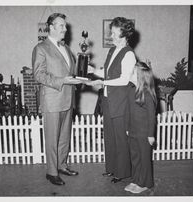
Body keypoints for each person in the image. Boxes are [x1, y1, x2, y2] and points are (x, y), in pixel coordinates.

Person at [32, 13, 82, 186]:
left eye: (65, 26)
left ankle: (62, 166)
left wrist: (82, 75)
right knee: (52, 138)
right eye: (61, 26)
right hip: (52, 100)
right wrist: (62, 81)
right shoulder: (41, 48)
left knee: (64, 137)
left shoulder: (66, 48)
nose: (65, 29)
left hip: (68, 99)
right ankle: (51, 172)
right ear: (51, 27)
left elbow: (71, 72)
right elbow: (38, 75)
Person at [86, 17, 136, 183]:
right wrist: (92, 70)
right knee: (109, 136)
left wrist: (102, 82)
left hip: (121, 101)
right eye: (111, 32)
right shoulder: (112, 50)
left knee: (120, 137)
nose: (111, 36)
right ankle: (111, 168)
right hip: (108, 100)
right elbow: (106, 72)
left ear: (124, 34)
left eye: (114, 33)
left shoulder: (128, 54)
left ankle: (122, 172)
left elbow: (124, 79)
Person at [124, 61, 157, 194]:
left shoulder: (147, 94)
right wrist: (127, 127)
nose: (130, 74)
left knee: (144, 159)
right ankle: (136, 179)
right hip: (132, 131)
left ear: (140, 76)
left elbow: (151, 117)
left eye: (133, 72)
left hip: (144, 134)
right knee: (135, 157)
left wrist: (151, 135)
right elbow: (127, 111)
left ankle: (146, 183)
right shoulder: (131, 90)